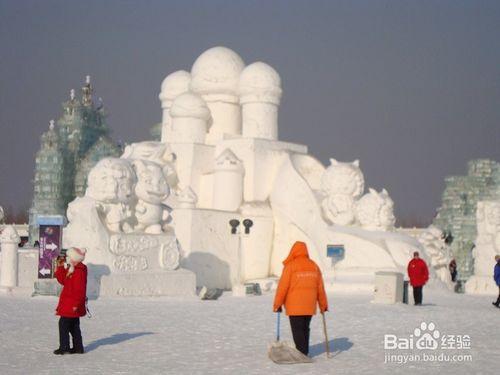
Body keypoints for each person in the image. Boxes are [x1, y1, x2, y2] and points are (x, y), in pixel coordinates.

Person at [273, 241, 328, 356]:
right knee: (304, 328)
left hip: (294, 306)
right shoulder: (314, 266)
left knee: (297, 330)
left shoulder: (290, 266)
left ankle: (302, 353)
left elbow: (283, 287)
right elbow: (320, 288)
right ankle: (304, 351)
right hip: (309, 305)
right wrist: (323, 305)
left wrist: (277, 304)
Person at [53, 247, 88, 355]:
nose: (67, 258)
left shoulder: (79, 271)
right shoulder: (73, 268)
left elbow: (79, 290)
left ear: (74, 258)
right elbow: (64, 280)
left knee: (63, 324)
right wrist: (60, 267)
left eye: (69, 256)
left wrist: (76, 304)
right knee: (73, 325)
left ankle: (64, 347)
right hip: (70, 303)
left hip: (72, 303)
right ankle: (78, 348)